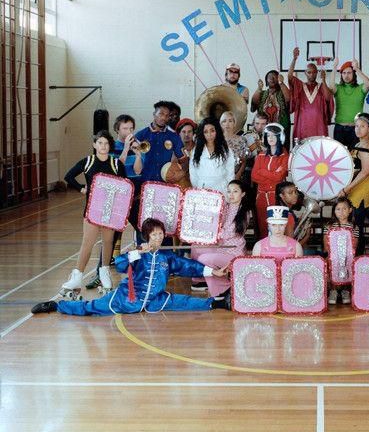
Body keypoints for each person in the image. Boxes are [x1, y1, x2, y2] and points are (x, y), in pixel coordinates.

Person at [32, 218, 230, 316]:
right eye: (154, 234)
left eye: (161, 234)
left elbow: (188, 266)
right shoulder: (137, 254)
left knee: (182, 301)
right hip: (126, 299)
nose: (158, 237)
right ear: (147, 236)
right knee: (91, 308)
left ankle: (216, 304)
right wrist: (138, 253)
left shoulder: (167, 256)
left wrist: (214, 272)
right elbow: (119, 265)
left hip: (154, 299)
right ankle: (57, 306)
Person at [59, 131, 128, 297]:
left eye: (106, 143)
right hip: (92, 211)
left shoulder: (116, 164)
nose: (103, 146)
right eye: (100, 143)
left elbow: (125, 186)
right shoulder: (88, 161)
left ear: (110, 146)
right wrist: (81, 188)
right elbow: (69, 176)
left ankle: (104, 274)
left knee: (108, 242)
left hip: (110, 211)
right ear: (94, 145)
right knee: (87, 244)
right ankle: (77, 277)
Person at [86, 114, 145, 290]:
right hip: (117, 201)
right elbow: (115, 168)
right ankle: (100, 274)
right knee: (110, 239)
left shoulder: (137, 145)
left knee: (142, 232)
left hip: (135, 197)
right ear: (117, 129)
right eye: (125, 128)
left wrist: (138, 155)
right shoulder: (109, 147)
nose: (129, 131)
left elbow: (138, 171)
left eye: (131, 128)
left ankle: (142, 272)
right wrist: (126, 148)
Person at [191, 180, 251, 298]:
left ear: (243, 194)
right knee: (195, 247)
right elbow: (213, 222)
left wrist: (212, 232)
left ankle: (224, 288)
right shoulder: (225, 207)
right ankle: (201, 280)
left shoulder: (245, 212)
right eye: (229, 191)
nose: (231, 195)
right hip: (220, 246)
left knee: (204, 259)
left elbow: (229, 233)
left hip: (232, 251)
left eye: (235, 191)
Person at [340, 112, 369, 254]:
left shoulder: (366, 147)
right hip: (355, 187)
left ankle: (358, 256)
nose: (358, 129)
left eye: (362, 126)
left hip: (361, 189)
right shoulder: (359, 144)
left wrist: (346, 189)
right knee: (353, 225)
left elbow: (365, 171)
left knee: (357, 226)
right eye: (356, 126)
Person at [251, 123, 290, 238]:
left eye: (274, 135)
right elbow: (254, 176)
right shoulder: (261, 155)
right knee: (262, 227)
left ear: (280, 137)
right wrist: (272, 175)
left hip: (276, 197)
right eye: (268, 136)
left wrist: (262, 171)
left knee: (277, 227)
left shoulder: (284, 155)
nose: (271, 138)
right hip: (261, 197)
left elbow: (279, 177)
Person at [288, 46, 334, 140]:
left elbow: (328, 97)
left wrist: (324, 80)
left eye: (314, 72)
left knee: (319, 147)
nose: (312, 74)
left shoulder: (321, 87)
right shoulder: (300, 86)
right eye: (309, 72)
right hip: (302, 125)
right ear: (305, 73)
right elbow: (289, 77)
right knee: (302, 147)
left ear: (317, 73)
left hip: (319, 126)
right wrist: (294, 59)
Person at [135, 101, 183, 183]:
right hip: (145, 182)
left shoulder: (174, 137)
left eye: (167, 115)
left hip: (165, 183)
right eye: (161, 114)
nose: (164, 118)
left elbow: (183, 159)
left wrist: (180, 172)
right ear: (154, 114)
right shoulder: (141, 135)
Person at [323, 196, 359, 305]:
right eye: (338, 209)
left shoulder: (354, 227)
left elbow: (354, 244)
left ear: (350, 210)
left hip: (348, 256)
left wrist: (348, 255)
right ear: (334, 211)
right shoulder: (329, 226)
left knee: (348, 269)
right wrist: (330, 254)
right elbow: (326, 242)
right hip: (333, 256)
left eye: (344, 209)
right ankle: (333, 291)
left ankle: (345, 291)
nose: (341, 212)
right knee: (332, 268)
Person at [328, 59, 369, 149]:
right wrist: (334, 67)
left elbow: (368, 84)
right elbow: (331, 86)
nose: (346, 75)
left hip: (356, 129)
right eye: (344, 73)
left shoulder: (360, 88)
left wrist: (357, 69)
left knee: (355, 155)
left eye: (349, 73)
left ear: (353, 74)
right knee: (339, 155)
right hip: (340, 129)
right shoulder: (338, 88)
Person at [189, 117, 235, 193]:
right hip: (202, 189)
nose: (209, 135)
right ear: (202, 133)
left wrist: (228, 189)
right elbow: (193, 172)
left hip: (221, 188)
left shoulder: (226, 150)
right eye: (206, 132)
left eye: (212, 131)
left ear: (217, 131)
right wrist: (197, 189)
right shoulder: (196, 151)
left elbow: (230, 172)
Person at [251, 70, 291, 146]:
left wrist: (282, 83)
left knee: (281, 150)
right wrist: (259, 89)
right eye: (269, 77)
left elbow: (289, 100)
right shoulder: (262, 93)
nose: (272, 79)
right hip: (264, 131)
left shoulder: (283, 93)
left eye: (274, 77)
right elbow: (254, 105)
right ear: (266, 80)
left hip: (281, 131)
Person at [219, 110, 249, 180]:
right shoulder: (216, 140)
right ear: (221, 124)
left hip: (236, 175)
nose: (227, 124)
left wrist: (239, 174)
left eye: (230, 121)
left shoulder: (241, 140)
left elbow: (244, 160)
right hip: (219, 176)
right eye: (224, 121)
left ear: (234, 123)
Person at [243, 111, 268, 185]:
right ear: (253, 123)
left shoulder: (270, 136)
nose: (260, 126)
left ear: (267, 124)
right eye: (257, 123)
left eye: (263, 124)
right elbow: (243, 154)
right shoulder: (246, 135)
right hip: (250, 167)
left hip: (266, 168)